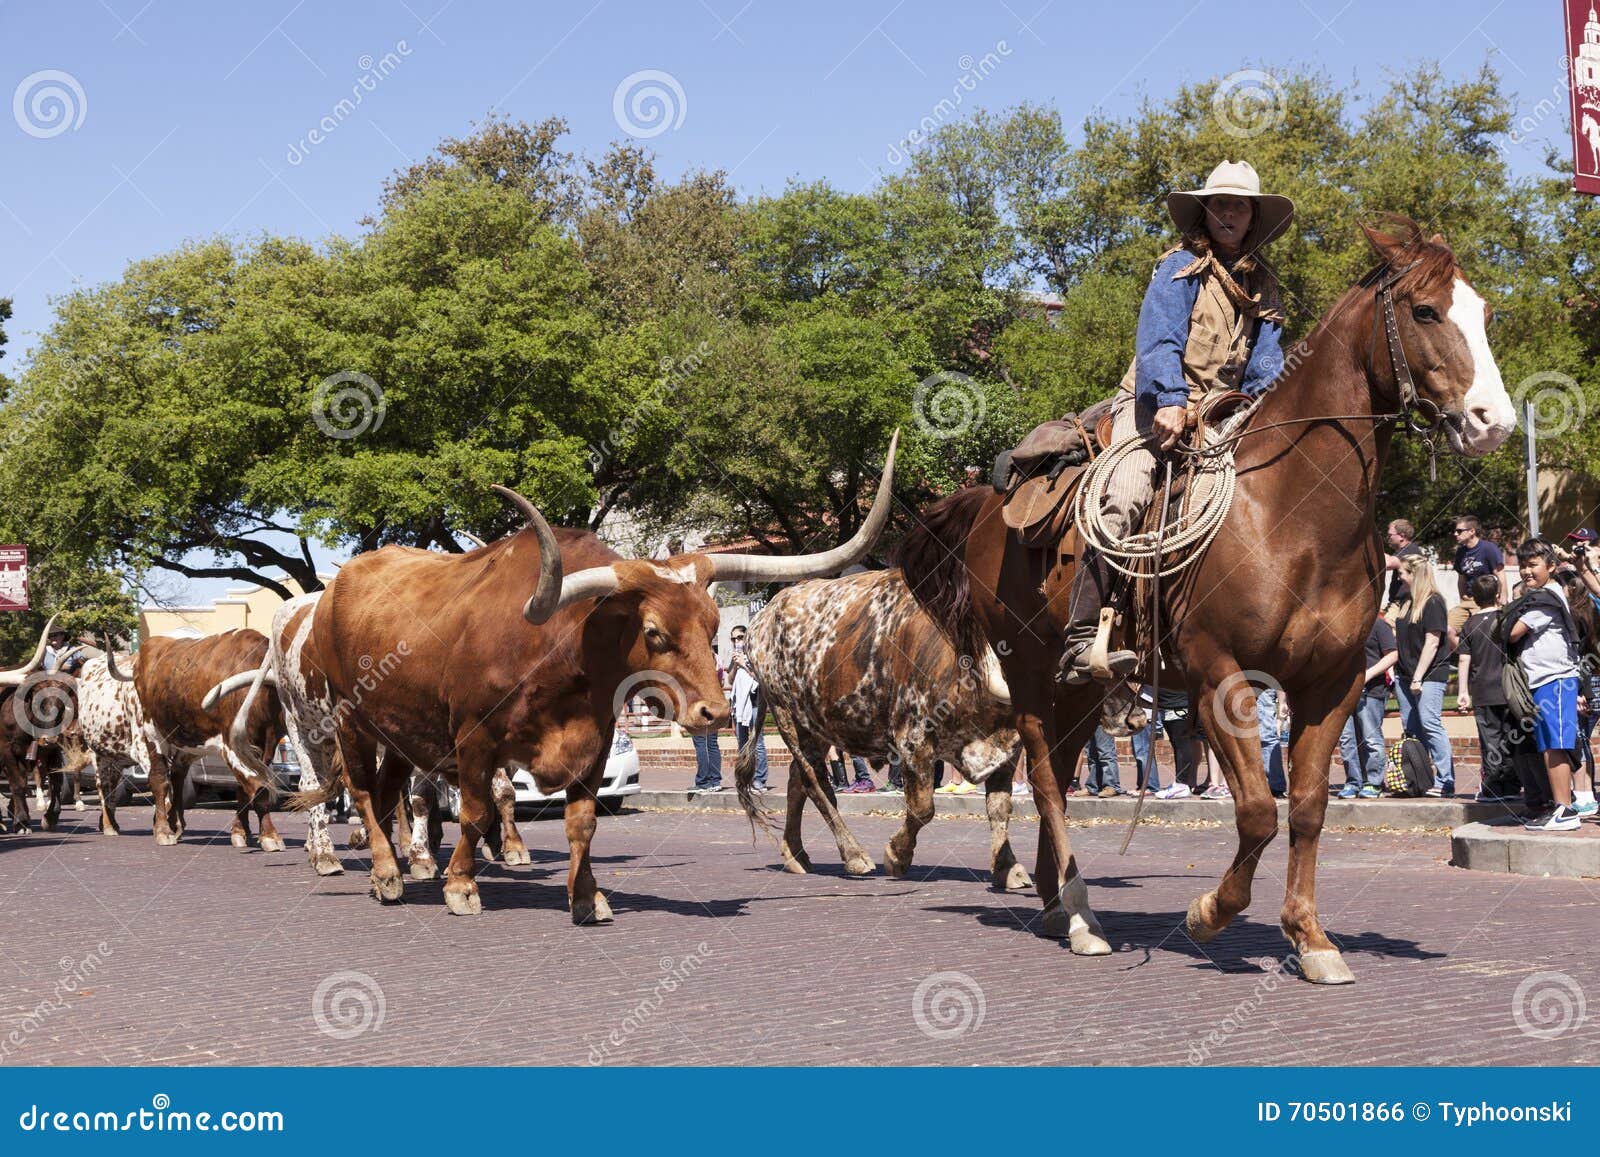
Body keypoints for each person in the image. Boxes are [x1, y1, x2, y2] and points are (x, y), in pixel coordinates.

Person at [1062, 159, 1292, 684]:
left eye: (1240, 206)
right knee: (1124, 493)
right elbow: (1158, 341)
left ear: (1254, 218)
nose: (1229, 213)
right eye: (1221, 205)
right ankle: (1080, 640)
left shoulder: (1266, 289)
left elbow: (1266, 368)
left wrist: (1260, 411)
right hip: (1152, 406)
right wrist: (1169, 399)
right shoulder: (1178, 268)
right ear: (1206, 213)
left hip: (1221, 414)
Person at [1507, 539, 1584, 831]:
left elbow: (1513, 633)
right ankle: (1559, 806)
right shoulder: (1540, 595)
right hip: (1542, 681)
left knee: (1555, 744)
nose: (1527, 571)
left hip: (1557, 680)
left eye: (1533, 565)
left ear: (1551, 566)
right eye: (1523, 565)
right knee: (1549, 746)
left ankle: (1565, 810)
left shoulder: (1546, 598)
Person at [1456, 574, 1531, 805]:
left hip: (1482, 691)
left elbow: (1463, 661)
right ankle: (1512, 785)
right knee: (1512, 738)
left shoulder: (1469, 624)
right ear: (1498, 595)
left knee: (1490, 741)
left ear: (1474, 598)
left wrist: (1462, 691)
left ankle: (1493, 788)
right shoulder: (1507, 618)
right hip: (1509, 690)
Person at [1393, 554, 1456, 796]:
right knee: (1411, 729)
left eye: (1403, 573)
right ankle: (1418, 778)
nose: (1399, 577)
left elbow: (1433, 642)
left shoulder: (1433, 602)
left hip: (1429, 674)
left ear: (1414, 575)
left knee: (1430, 724)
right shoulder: (1407, 601)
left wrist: (1418, 676)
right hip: (1405, 674)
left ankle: (1446, 780)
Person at [1337, 616, 1397, 798]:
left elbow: (1393, 654)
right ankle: (1353, 782)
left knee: (1371, 738)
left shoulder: (1377, 624)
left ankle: (1374, 782)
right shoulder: (1340, 625)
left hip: (1372, 690)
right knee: (1347, 739)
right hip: (1343, 691)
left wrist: (1368, 674)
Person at [1450, 515, 1507, 643]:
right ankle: (1466, 656)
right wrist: (1462, 598)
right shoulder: (1460, 552)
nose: (1455, 534)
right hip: (1468, 600)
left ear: (1472, 531)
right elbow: (1461, 579)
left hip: (1487, 600)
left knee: (1480, 632)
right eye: (1455, 531)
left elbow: (1500, 575)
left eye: (1459, 531)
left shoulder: (1488, 548)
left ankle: (1476, 657)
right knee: (1447, 629)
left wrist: (1502, 601)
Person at [727, 626, 768, 793]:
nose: (737, 641)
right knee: (742, 743)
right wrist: (736, 665)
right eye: (734, 639)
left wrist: (744, 664)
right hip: (740, 705)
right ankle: (746, 778)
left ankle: (760, 779)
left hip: (755, 701)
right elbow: (730, 680)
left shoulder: (755, 654)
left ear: (747, 637)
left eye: (740, 637)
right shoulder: (735, 658)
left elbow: (761, 677)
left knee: (757, 742)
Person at [1131, 684, 1193, 794]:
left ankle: (1183, 783)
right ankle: (1183, 783)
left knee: (1181, 745)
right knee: (1177, 744)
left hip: (1178, 705)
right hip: (1165, 705)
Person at [692, 645, 728, 793]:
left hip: (700, 704)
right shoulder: (717, 660)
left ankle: (703, 781)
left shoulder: (698, 662)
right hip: (714, 704)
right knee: (712, 744)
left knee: (701, 743)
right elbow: (722, 683)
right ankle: (715, 781)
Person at [1382, 519, 1425, 617]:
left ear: (1401, 536)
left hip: (1405, 603)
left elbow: (1387, 563)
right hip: (1399, 603)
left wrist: (1372, 548)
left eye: (1390, 535)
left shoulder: (1409, 550)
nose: (1388, 538)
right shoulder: (1404, 551)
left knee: (1383, 628)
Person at [1256, 687, 1289, 796]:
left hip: (1261, 689)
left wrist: (1282, 702)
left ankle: (1275, 785)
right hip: (1249, 688)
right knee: (1265, 737)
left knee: (1266, 737)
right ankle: (1272, 784)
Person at [1078, 727, 1122, 796]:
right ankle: (1093, 788)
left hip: (1102, 720)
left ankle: (1112, 786)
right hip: (1088, 722)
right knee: (1091, 755)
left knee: (1106, 753)